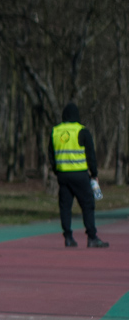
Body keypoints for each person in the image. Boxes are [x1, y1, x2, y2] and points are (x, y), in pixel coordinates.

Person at [50, 102, 108, 248]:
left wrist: (57, 171)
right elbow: (91, 155)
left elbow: (51, 155)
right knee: (87, 205)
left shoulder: (55, 131)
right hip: (80, 175)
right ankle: (92, 237)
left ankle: (68, 237)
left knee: (65, 207)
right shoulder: (82, 131)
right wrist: (94, 173)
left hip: (63, 175)